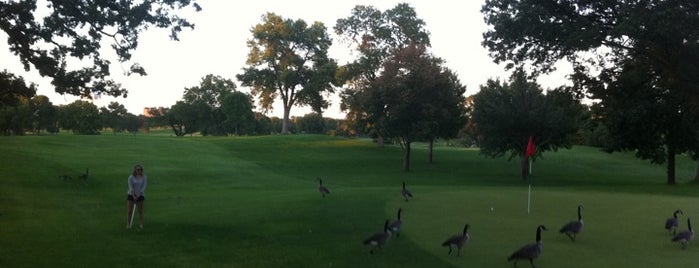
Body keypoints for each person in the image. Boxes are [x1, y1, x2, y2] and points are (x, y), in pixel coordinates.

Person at [127, 164, 147, 229]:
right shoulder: (131, 177)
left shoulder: (144, 177)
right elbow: (131, 187)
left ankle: (141, 224)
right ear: (135, 170)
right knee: (130, 211)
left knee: (140, 211)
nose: (140, 171)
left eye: (141, 169)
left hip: (140, 195)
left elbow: (143, 187)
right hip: (131, 195)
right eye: (138, 169)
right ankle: (128, 224)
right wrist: (134, 195)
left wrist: (138, 195)